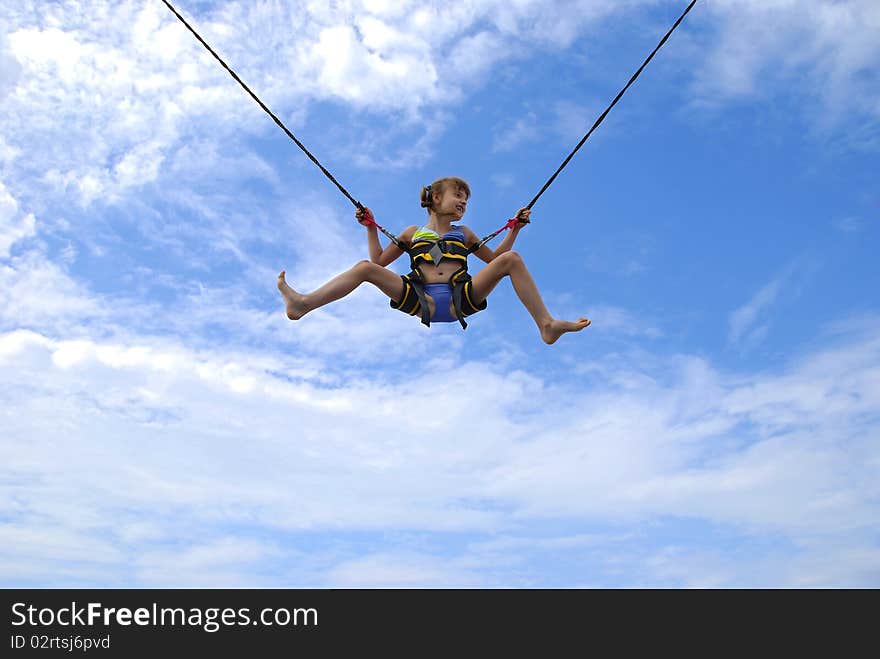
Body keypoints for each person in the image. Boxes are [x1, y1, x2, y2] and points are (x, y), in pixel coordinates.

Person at [277, 176, 590, 344]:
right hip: (420, 298)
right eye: (458, 196)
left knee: (513, 259)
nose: (463, 203)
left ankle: (546, 324)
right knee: (364, 268)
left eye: (466, 200)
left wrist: (515, 229)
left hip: (460, 298)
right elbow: (378, 262)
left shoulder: (464, 234)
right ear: (436, 198)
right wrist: (371, 227)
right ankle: (304, 304)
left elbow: (496, 260)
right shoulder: (413, 233)